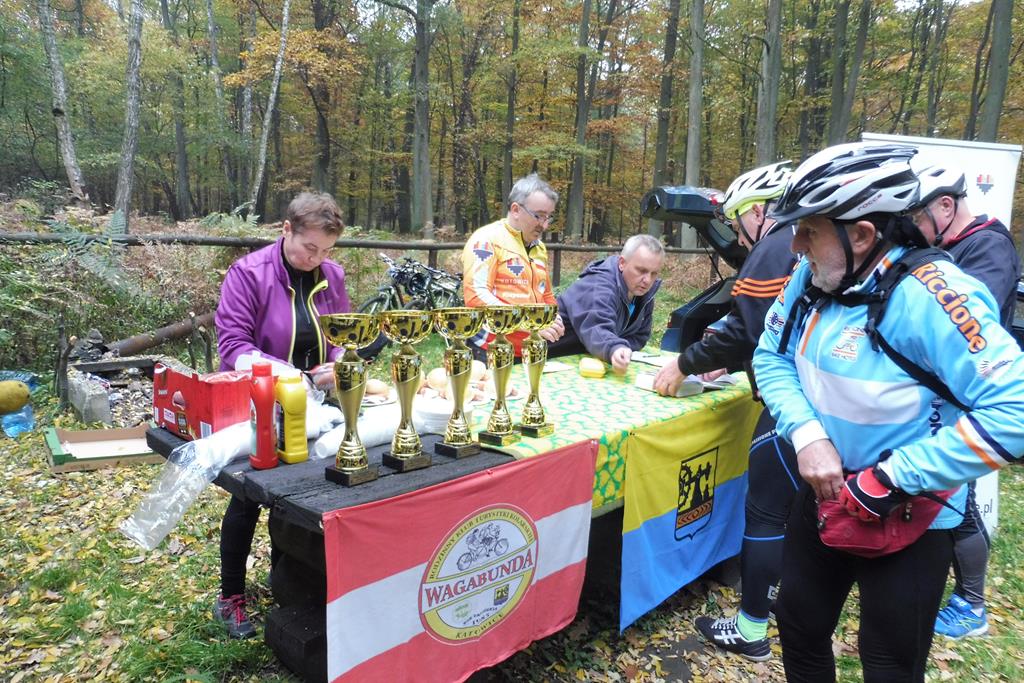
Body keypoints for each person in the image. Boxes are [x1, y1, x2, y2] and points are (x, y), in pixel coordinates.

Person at [751, 142, 1024, 681]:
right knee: (799, 626)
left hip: (912, 510)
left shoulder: (934, 296)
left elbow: (1014, 409)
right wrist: (808, 435)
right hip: (826, 491)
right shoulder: (812, 278)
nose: (795, 245)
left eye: (809, 230)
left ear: (861, 235)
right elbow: (770, 356)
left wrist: (893, 478)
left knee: (888, 662)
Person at [650, 161, 798, 661]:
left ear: (757, 213)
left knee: (766, 511)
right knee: (793, 509)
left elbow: (744, 328)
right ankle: (780, 595)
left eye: (737, 224)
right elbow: (769, 328)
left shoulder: (774, 246)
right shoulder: (800, 241)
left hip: (790, 402)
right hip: (818, 396)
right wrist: (727, 362)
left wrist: (684, 363)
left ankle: (751, 628)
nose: (737, 235)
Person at [213, 191, 351, 638]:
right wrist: (291, 376)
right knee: (249, 495)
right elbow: (233, 345)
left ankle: (288, 582)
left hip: (317, 407)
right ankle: (230, 595)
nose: (317, 259)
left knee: (305, 491)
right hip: (259, 401)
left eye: (326, 250)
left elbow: (341, 334)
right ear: (286, 229)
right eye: (310, 248)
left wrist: (338, 362)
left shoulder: (332, 275)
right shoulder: (249, 273)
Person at [908, 159, 1021, 639]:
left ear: (946, 206)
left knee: (960, 500)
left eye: (917, 217)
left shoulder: (988, 246)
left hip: (968, 393)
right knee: (946, 494)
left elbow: (967, 321)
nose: (914, 229)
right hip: (940, 391)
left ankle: (972, 604)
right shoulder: (953, 245)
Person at [462, 173, 564, 359]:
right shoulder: (486, 240)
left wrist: (552, 316)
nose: (544, 225)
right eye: (539, 216)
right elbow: (476, 297)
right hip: (490, 348)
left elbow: (545, 293)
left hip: (529, 348)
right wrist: (531, 322)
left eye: (549, 217)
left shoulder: (539, 247)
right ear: (516, 210)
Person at [547, 234, 665, 373]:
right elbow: (596, 328)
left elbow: (640, 337)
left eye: (654, 273)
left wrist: (622, 351)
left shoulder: (642, 292)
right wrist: (615, 348)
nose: (647, 280)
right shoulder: (599, 286)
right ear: (622, 263)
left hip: (585, 361)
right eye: (641, 270)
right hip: (549, 358)